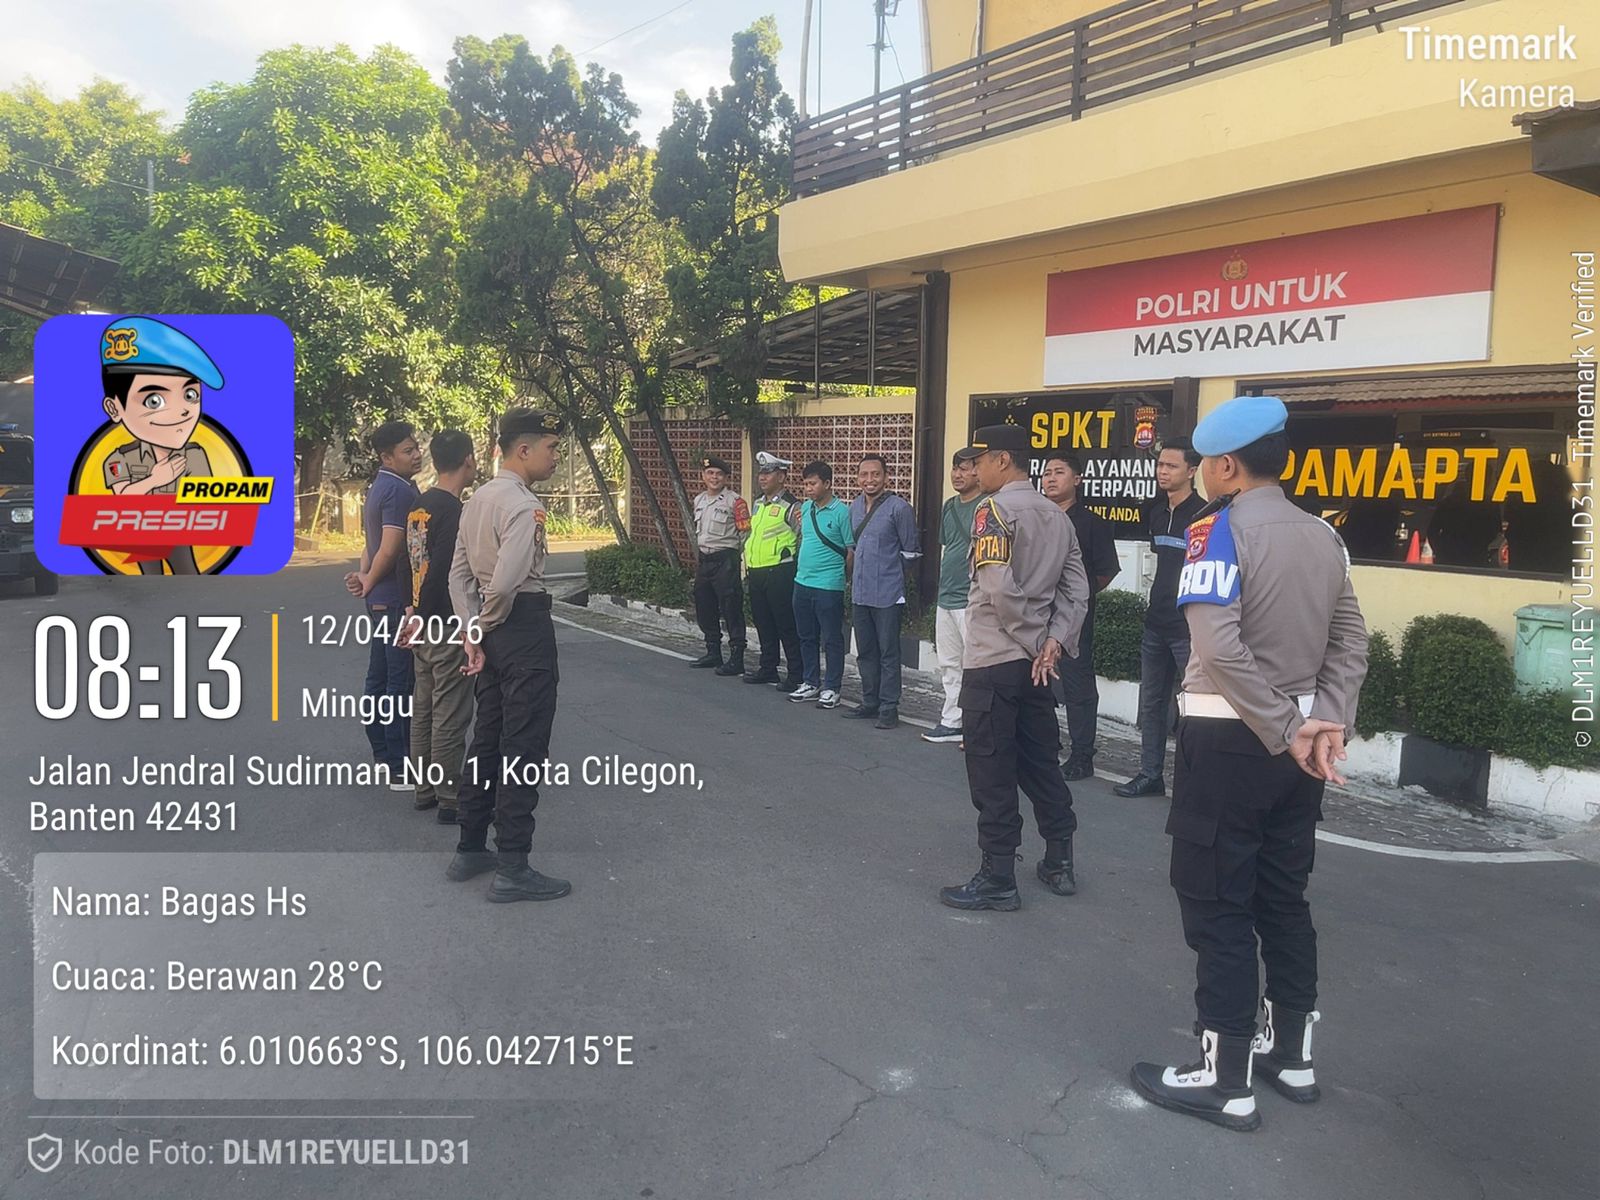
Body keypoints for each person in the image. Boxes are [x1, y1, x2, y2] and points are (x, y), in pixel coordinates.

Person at [1130, 395, 1367, 1132]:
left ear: (1227, 466)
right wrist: (1323, 725)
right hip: (1296, 749)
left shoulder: (1216, 530)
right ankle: (1291, 1054)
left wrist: (1288, 728)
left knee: (1218, 903)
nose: (1203, 472)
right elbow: (1350, 641)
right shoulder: (1322, 536)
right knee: (1283, 897)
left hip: (1232, 739)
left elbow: (1218, 648)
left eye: (1206, 462)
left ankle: (1223, 1077)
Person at [939, 425, 1089, 912]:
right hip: (1037, 669)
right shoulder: (1057, 516)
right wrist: (1053, 643)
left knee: (992, 770)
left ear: (1002, 460)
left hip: (995, 662)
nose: (973, 469)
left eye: (979, 461)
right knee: (1040, 762)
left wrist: (1035, 643)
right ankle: (1059, 859)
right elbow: (1076, 591)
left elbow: (998, 588)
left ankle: (998, 877)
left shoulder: (993, 511)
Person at [445, 410, 571, 903]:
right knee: (523, 748)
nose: (556, 456)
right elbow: (505, 583)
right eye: (551, 447)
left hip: (490, 632)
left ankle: (471, 847)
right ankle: (513, 865)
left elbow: (459, 576)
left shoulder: (476, 500)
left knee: (487, 738)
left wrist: (472, 630)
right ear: (523, 450)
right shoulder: (523, 506)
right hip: (520, 628)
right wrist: (484, 625)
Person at [1116, 437, 1207, 798]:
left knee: (1195, 710)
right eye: (1160, 465)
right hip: (1155, 624)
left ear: (1192, 470)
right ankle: (1150, 775)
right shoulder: (1155, 512)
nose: (1162, 471)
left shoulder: (1205, 516)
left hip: (1189, 628)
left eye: (1171, 466)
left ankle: (1192, 785)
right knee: (1151, 704)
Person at [96, 316, 220, 575]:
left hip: (179, 533)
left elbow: (206, 501)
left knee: (189, 578)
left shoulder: (194, 454)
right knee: (150, 583)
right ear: (114, 408)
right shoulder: (120, 459)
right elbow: (122, 500)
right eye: (154, 400)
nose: (183, 411)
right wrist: (154, 480)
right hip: (141, 533)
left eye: (190, 395)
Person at [401, 429, 476, 823]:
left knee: (424, 709)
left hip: (420, 621)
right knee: (449, 712)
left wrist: (411, 611)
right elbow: (444, 571)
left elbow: (408, 563)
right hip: (445, 622)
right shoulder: (453, 511)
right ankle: (449, 796)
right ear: (468, 460)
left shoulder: (419, 504)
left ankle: (424, 790)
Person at [345, 420, 422, 788]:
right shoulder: (398, 491)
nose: (417, 454)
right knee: (399, 683)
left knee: (379, 678)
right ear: (386, 457)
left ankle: (382, 753)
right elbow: (389, 548)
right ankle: (400, 765)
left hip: (379, 600)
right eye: (408, 450)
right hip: (393, 600)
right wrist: (370, 580)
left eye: (416, 447)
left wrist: (365, 577)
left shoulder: (382, 485)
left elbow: (370, 544)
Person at [1040, 451, 1120, 779]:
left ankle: (1082, 754)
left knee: (1077, 685)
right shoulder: (1037, 518)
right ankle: (1046, 744)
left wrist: (1076, 598)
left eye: (1059, 472)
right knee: (1038, 680)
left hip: (1073, 616)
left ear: (1077, 479)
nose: (1050, 478)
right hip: (1037, 613)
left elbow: (1105, 571)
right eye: (1047, 472)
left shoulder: (1092, 523)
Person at [844, 453, 921, 730]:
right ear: (857, 478)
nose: (870, 480)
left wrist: (891, 575)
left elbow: (911, 552)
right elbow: (852, 548)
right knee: (865, 651)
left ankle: (889, 707)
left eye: (876, 474)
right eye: (864, 474)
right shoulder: (854, 507)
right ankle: (870, 701)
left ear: (886, 477)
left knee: (889, 652)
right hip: (861, 592)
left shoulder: (899, 508)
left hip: (888, 593)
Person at [923, 451, 984, 745]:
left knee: (976, 667)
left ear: (977, 472)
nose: (957, 474)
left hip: (972, 599)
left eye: (964, 469)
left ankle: (977, 726)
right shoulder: (949, 506)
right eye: (954, 468)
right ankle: (952, 721)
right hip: (946, 596)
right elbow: (948, 546)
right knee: (949, 664)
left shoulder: (987, 506)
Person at [788, 461, 854, 710]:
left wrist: (844, 580)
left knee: (832, 639)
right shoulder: (806, 508)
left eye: (813, 484)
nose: (808, 488)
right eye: (805, 484)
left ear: (827, 484)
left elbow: (850, 550)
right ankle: (810, 682)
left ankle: (832, 687)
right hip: (802, 581)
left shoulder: (841, 512)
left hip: (829, 585)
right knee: (806, 636)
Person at [743, 451, 804, 691]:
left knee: (786, 625)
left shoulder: (791, 505)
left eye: (768, 473)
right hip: (757, 570)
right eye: (761, 473)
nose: (762, 477)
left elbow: (802, 537)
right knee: (763, 623)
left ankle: (796, 674)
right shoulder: (759, 503)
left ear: (781, 477)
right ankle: (768, 667)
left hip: (780, 572)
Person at [688, 455, 751, 676]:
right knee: (704, 606)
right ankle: (713, 651)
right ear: (703, 476)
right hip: (705, 560)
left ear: (726, 478)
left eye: (719, 474)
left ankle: (737, 657)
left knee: (731, 608)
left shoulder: (735, 502)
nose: (714, 478)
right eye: (710, 473)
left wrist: (734, 555)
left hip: (726, 560)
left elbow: (745, 533)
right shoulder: (699, 500)